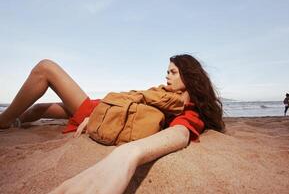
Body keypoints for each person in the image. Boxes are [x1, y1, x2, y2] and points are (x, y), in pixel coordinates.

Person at [0, 54, 225, 193]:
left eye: (173, 72)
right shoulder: (166, 94)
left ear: (188, 75)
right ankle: (14, 121)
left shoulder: (188, 107)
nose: (167, 76)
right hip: (97, 108)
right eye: (167, 71)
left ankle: (2, 121)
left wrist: (127, 155)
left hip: (93, 111)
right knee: (40, 109)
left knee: (45, 68)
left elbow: (181, 133)